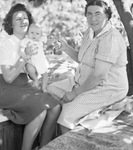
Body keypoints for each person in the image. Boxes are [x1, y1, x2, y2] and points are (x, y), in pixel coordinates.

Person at [47, 0, 129, 134]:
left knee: (67, 115)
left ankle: (65, 145)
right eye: (89, 14)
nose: (93, 18)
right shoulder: (89, 32)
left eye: (98, 14)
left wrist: (74, 94)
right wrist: (66, 48)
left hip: (107, 87)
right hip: (82, 81)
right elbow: (82, 59)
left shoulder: (111, 38)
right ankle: (48, 141)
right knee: (50, 90)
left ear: (107, 16)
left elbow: (99, 76)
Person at [0, 3, 61, 150]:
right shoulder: (5, 42)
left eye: (25, 18)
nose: (23, 21)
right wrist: (25, 56)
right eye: (18, 18)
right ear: (11, 23)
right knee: (40, 110)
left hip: (23, 86)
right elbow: (8, 77)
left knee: (56, 107)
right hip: (5, 87)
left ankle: (45, 146)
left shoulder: (32, 41)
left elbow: (38, 65)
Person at [20, 23, 49, 92]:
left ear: (40, 35)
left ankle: (44, 87)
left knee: (45, 75)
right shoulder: (26, 40)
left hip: (40, 60)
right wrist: (23, 54)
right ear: (28, 32)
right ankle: (35, 79)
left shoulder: (41, 39)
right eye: (32, 33)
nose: (34, 35)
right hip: (31, 61)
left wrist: (53, 40)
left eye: (37, 34)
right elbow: (21, 48)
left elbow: (47, 42)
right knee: (29, 68)